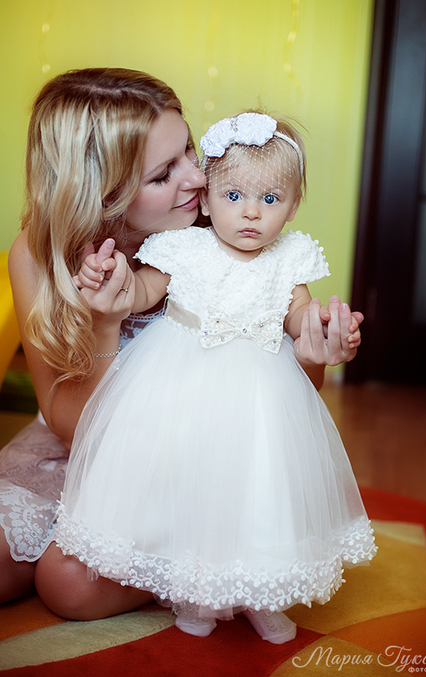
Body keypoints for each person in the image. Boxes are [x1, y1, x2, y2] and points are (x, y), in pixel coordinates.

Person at [1, 72, 361, 609]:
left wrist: (313, 358)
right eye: (163, 173)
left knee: (68, 586)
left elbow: (276, 402)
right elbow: (69, 425)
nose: (197, 176)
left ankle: (206, 567)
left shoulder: (226, 226)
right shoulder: (39, 255)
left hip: (206, 455)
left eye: (189, 148)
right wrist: (105, 324)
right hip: (82, 443)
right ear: (101, 193)